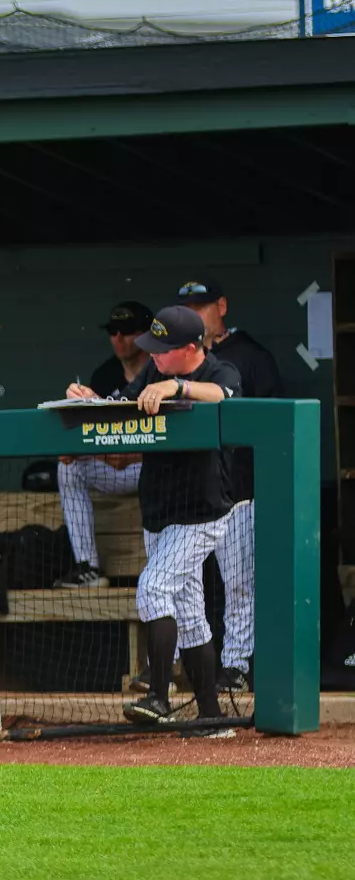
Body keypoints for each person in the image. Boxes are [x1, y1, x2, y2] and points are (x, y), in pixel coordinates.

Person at [64, 306, 240, 736]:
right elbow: (122, 409)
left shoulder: (221, 369)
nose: (154, 357)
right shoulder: (149, 375)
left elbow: (225, 395)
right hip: (160, 510)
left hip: (201, 511)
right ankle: (212, 718)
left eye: (164, 350)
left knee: (154, 588)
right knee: (190, 611)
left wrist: (178, 386)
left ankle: (159, 696)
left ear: (189, 348)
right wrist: (91, 402)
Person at [179, 279, 279, 689]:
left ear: (221, 306)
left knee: (238, 585)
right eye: (188, 308)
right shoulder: (178, 361)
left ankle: (236, 664)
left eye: (202, 306)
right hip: (193, 496)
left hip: (238, 493)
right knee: (182, 583)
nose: (196, 315)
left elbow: (274, 426)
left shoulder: (251, 358)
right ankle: (176, 669)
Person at [54, 301, 152, 589]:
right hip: (114, 466)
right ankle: (88, 567)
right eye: (113, 331)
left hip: (152, 467)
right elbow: (90, 433)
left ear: (146, 334)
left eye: (126, 330)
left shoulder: (161, 372)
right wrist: (88, 451)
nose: (118, 338)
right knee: (68, 468)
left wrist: (132, 455)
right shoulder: (104, 375)